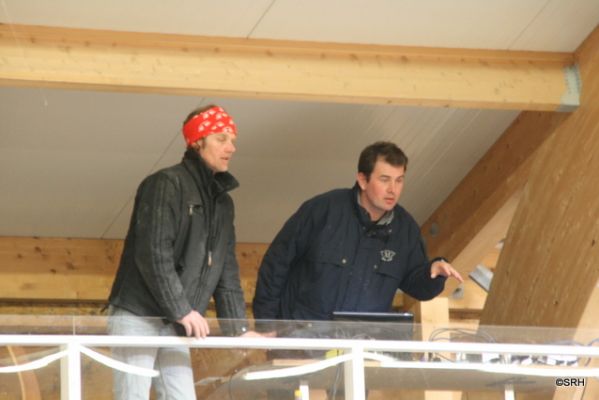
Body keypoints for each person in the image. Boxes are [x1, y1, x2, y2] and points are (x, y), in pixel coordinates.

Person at [108, 104, 256, 400]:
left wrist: (238, 329)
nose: (231, 147)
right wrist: (182, 310)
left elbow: (226, 271)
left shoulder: (223, 203)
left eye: (232, 139)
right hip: (139, 314)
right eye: (221, 139)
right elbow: (153, 253)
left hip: (177, 320)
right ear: (197, 141)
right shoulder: (165, 184)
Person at [253, 141, 463, 323]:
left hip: (361, 346)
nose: (393, 189)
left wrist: (433, 273)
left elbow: (417, 288)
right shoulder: (323, 210)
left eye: (399, 180)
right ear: (362, 180)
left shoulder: (405, 229)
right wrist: (267, 324)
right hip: (301, 341)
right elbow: (276, 264)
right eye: (385, 179)